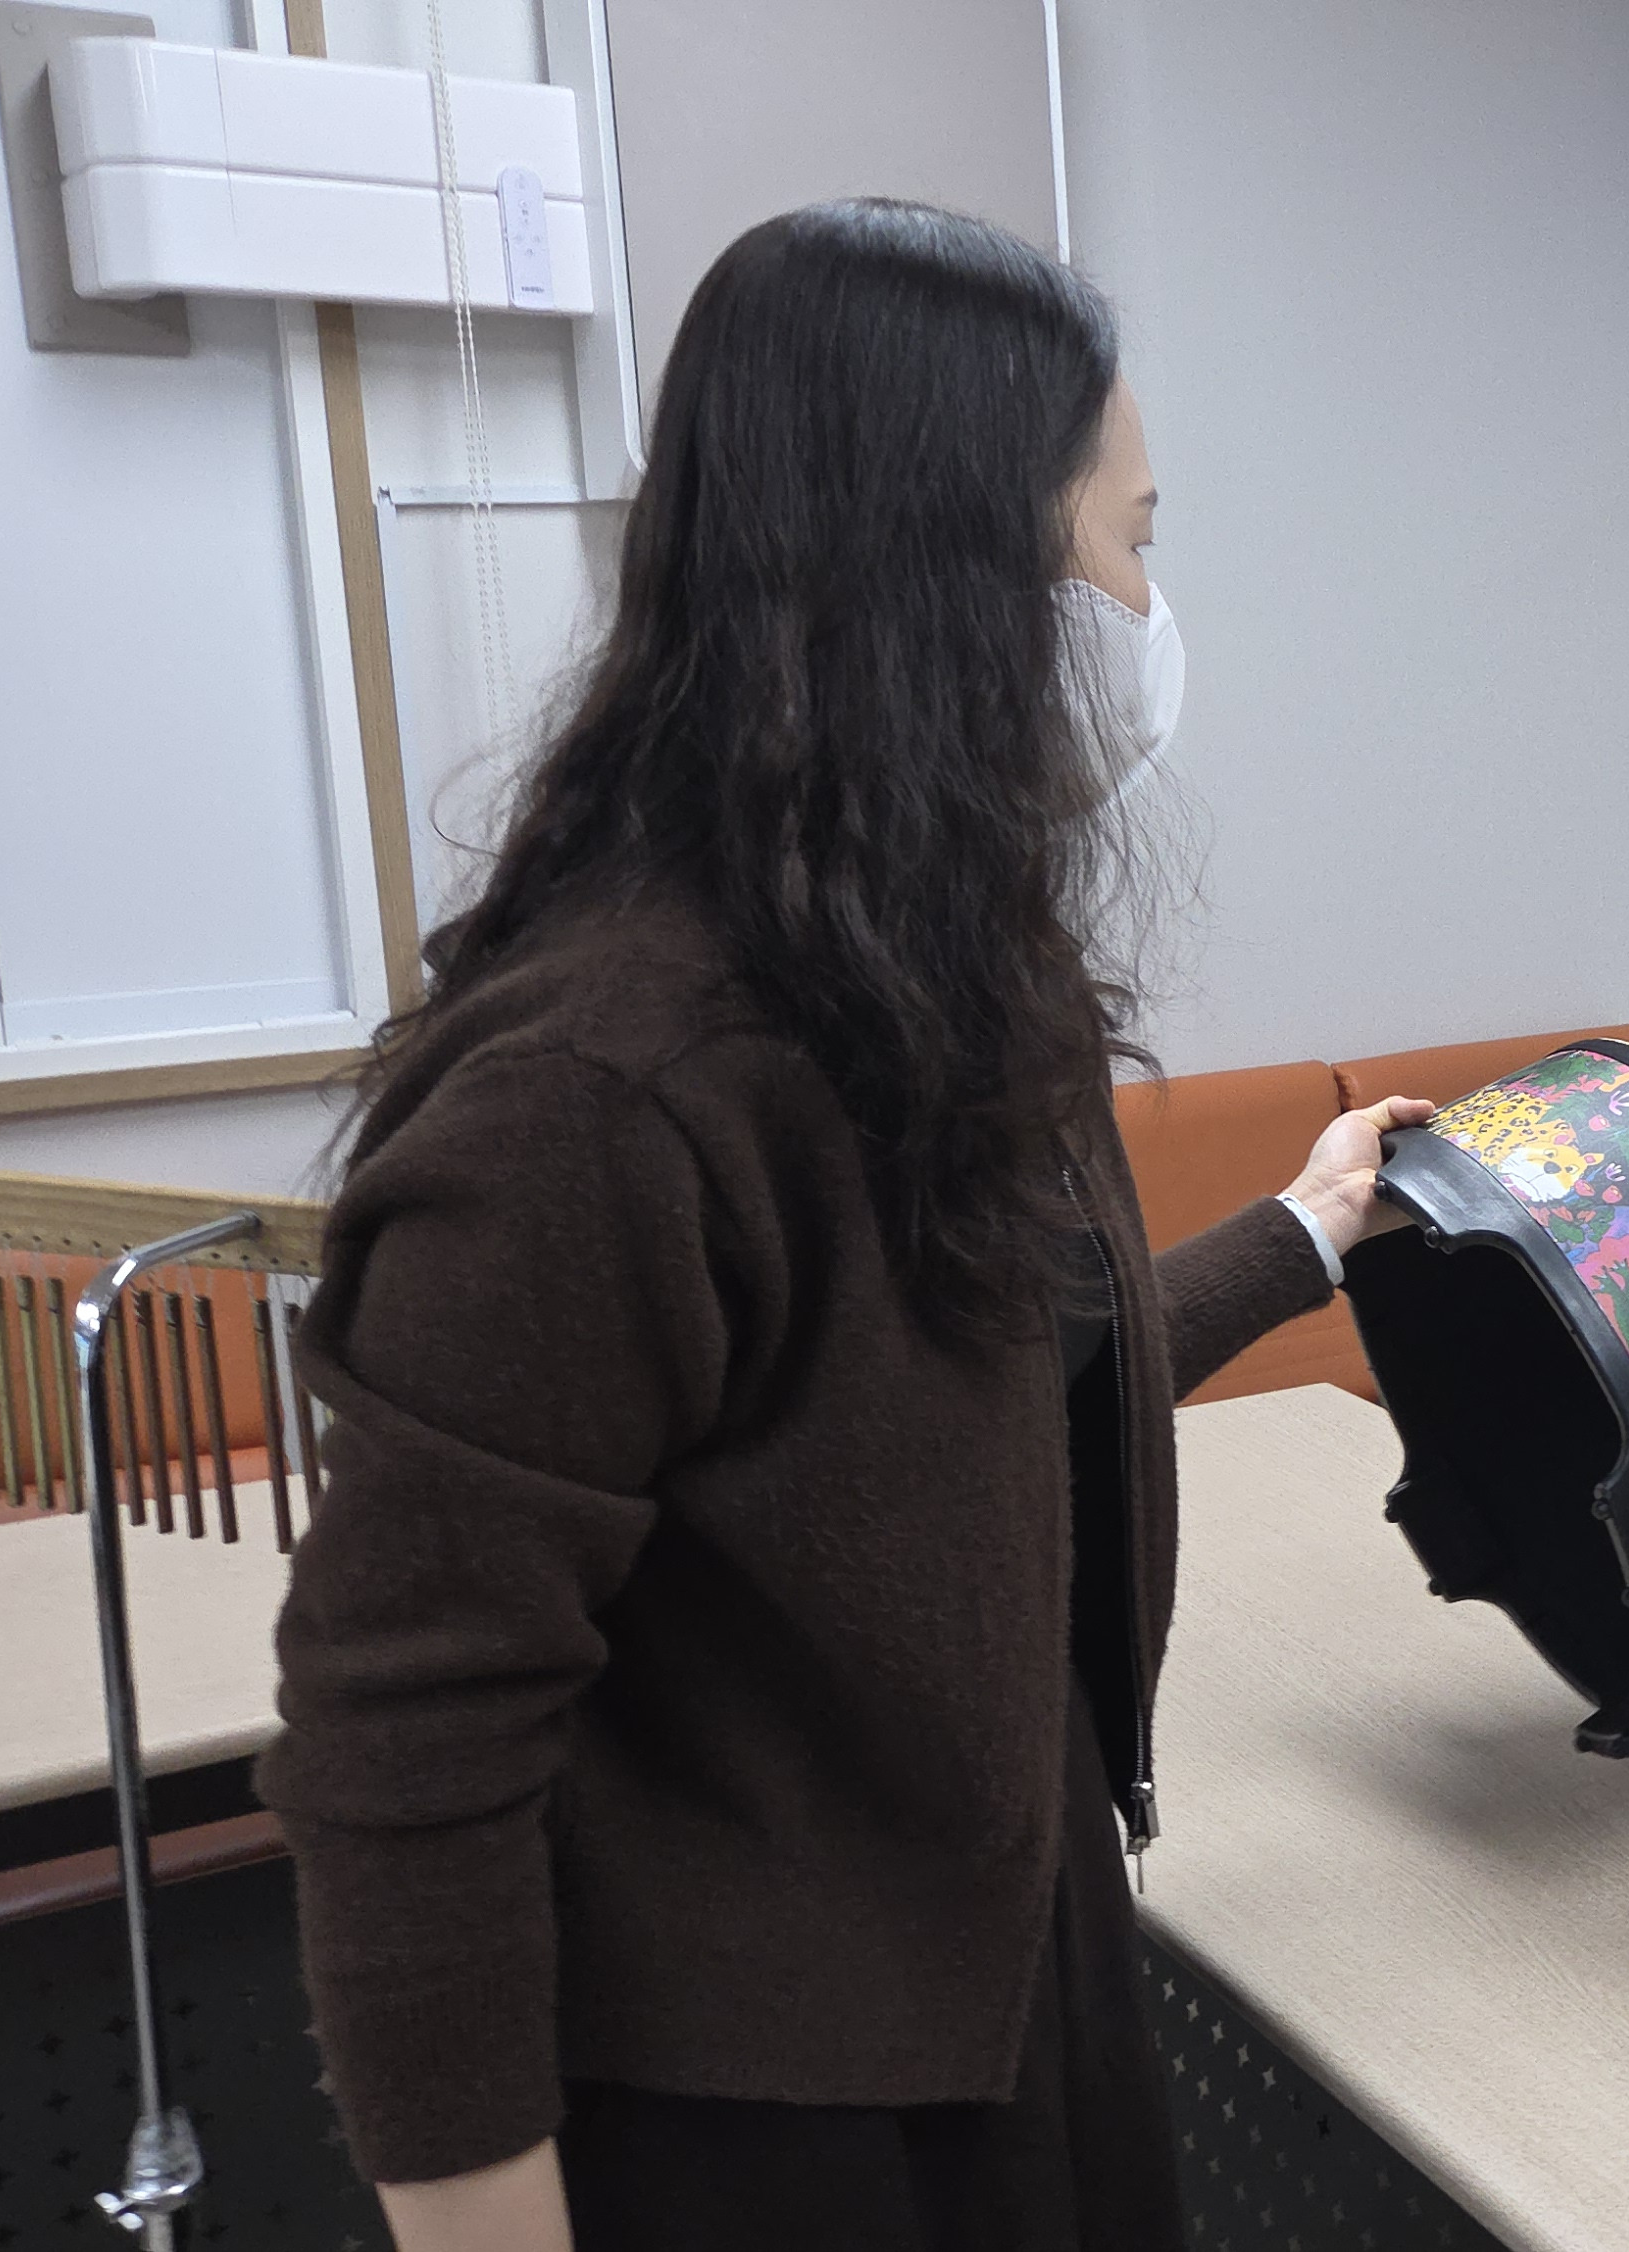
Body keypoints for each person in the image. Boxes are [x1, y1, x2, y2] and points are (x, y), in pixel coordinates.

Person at [255, 200, 1424, 2252]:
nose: (1149, 609)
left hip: (999, 1957)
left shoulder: (916, 978)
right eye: (1130, 539)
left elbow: (967, 1399)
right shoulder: (604, 1091)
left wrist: (1302, 1234)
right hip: (758, 2106)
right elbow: (405, 1748)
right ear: (952, 579)